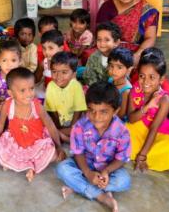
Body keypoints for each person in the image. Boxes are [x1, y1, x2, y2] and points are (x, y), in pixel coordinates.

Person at [56, 82, 131, 212]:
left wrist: (106, 171)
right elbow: (78, 153)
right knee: (62, 169)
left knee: (124, 181)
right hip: (84, 164)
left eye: (103, 112)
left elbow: (122, 158)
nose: (96, 117)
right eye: (91, 110)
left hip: (109, 169)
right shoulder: (80, 126)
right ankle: (102, 196)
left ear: (116, 111)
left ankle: (79, 187)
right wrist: (87, 172)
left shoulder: (122, 131)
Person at [0, 67, 66, 182]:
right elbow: (0, 122)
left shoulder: (37, 107)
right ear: (10, 93)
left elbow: (50, 126)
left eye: (31, 88)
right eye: (22, 90)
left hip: (36, 144)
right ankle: (27, 166)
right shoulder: (8, 105)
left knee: (54, 155)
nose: (29, 94)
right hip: (16, 142)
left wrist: (58, 146)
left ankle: (25, 165)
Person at [126, 48, 169, 171]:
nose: (145, 81)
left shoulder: (164, 100)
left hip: (158, 134)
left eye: (151, 77)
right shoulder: (134, 89)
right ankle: (139, 153)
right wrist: (147, 106)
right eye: (142, 76)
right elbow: (131, 119)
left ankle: (141, 154)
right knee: (124, 129)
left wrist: (142, 156)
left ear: (161, 79)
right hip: (138, 129)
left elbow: (154, 128)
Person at [96, 0, 159, 64]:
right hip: (110, 49)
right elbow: (100, 34)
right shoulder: (107, 7)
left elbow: (150, 38)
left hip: (136, 51)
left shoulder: (147, 11)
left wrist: (137, 55)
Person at [45, 51, 87, 143]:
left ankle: (62, 136)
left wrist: (72, 127)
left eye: (64, 72)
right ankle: (65, 137)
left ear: (74, 74)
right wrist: (59, 127)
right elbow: (52, 111)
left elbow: (78, 110)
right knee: (46, 127)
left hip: (74, 122)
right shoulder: (51, 86)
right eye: (54, 72)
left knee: (84, 129)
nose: (58, 76)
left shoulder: (76, 86)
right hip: (59, 122)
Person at [0, 39, 22, 141]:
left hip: (21, 107)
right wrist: (13, 107)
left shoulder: (22, 76)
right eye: (4, 60)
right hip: (3, 111)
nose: (9, 65)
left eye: (13, 60)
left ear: (20, 61)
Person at [83, 22, 121, 86]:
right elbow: (88, 77)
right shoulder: (93, 57)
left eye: (107, 40)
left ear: (116, 42)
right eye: (99, 39)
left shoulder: (120, 58)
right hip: (96, 89)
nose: (102, 43)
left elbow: (122, 80)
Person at [107, 47, 133, 120]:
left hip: (117, 120)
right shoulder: (110, 79)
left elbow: (121, 114)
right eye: (111, 66)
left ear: (129, 70)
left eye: (119, 67)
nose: (113, 71)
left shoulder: (126, 91)